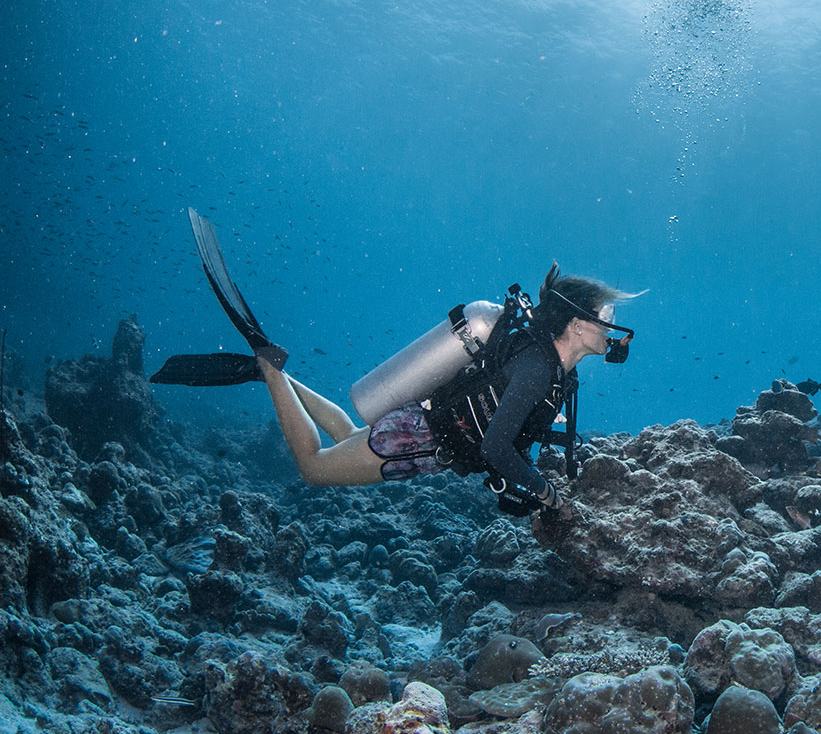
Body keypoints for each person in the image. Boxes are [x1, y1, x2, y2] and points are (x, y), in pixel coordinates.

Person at [152, 209, 637, 515]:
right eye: (606, 315)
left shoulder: (551, 369)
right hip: (418, 440)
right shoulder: (538, 367)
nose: (612, 325)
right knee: (314, 468)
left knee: (344, 436)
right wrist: (547, 495)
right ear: (575, 324)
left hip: (420, 427)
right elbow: (494, 448)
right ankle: (268, 367)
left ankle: (274, 373)